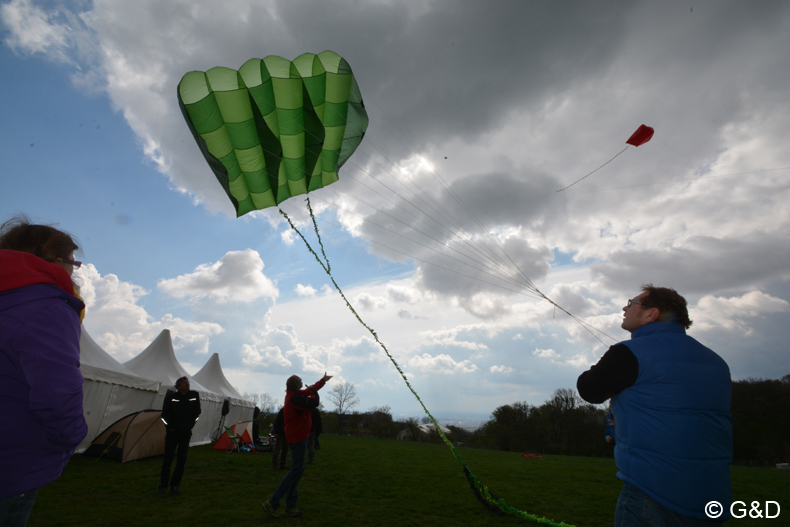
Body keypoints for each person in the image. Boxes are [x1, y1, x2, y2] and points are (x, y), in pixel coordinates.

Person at [577, 285, 733, 526]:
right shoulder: (716, 360)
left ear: (652, 314)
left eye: (632, 303)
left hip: (653, 490)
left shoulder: (627, 353)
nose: (625, 307)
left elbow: (590, 389)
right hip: (711, 495)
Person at [0, 217, 88, 527]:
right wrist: (70, 439)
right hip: (12, 466)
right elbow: (56, 396)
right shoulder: (47, 306)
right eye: (74, 262)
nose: (74, 270)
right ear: (55, 261)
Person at [262, 373, 332, 518]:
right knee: (295, 471)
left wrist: (322, 381)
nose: (302, 383)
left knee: (297, 472)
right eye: (300, 381)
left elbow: (310, 390)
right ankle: (272, 503)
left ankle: (290, 505)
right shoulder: (294, 398)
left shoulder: (295, 394)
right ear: (296, 385)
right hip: (298, 437)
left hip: (300, 436)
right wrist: (313, 391)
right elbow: (314, 402)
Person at [158, 376, 201, 496]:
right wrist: (170, 427)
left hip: (185, 433)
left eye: (187, 382)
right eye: (184, 382)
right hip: (172, 433)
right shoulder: (172, 397)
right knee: (167, 460)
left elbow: (197, 413)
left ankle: (175, 486)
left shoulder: (194, 395)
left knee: (181, 461)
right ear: (178, 386)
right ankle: (163, 486)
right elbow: (164, 416)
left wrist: (190, 425)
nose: (187, 384)